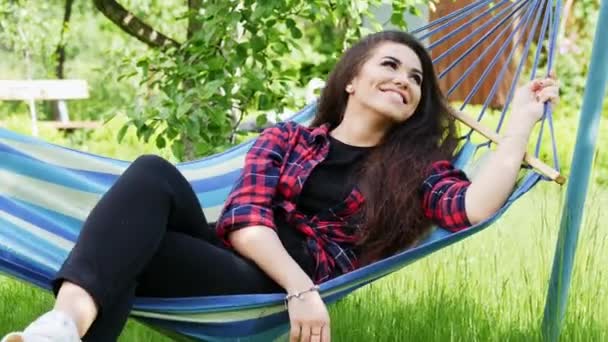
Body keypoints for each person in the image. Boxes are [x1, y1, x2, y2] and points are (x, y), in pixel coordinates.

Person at [2, 30, 558, 342]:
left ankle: (61, 326)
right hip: (244, 264)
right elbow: (244, 222)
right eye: (390, 65)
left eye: (416, 78)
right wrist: (303, 291)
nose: (406, 81)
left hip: (259, 292)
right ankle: (63, 330)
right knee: (151, 177)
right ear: (352, 80)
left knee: (130, 242)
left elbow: (473, 207)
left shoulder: (414, 168)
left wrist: (520, 124)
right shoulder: (286, 139)